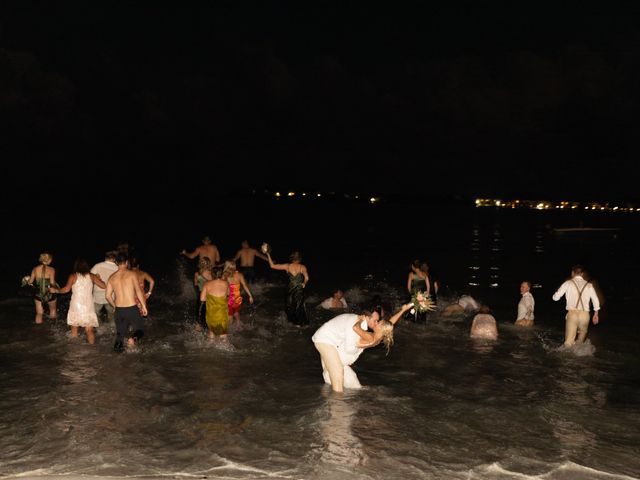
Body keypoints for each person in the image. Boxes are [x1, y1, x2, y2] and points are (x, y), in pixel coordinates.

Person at [312, 303, 413, 392]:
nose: (377, 322)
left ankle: (333, 401)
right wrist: (403, 310)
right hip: (332, 345)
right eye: (376, 320)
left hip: (342, 354)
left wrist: (360, 320)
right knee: (337, 375)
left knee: (343, 381)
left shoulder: (370, 336)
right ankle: (337, 403)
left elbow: (355, 328)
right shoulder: (379, 336)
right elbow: (390, 323)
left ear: (382, 329)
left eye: (379, 322)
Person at [50, 259, 106, 344]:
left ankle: (74, 350)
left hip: (76, 305)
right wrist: (99, 279)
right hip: (88, 305)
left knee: (74, 329)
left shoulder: (73, 276)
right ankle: (91, 347)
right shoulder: (92, 276)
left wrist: (56, 290)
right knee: (89, 330)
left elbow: (66, 289)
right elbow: (103, 286)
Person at [105, 253, 148, 352]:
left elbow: (107, 296)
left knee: (120, 335)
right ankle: (132, 339)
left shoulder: (112, 277)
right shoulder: (132, 274)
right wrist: (143, 306)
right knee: (140, 330)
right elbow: (138, 291)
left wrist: (114, 306)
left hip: (119, 310)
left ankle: (117, 359)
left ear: (116, 263)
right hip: (132, 308)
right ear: (127, 262)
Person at [552, 264, 600, 347]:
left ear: (572, 273)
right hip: (585, 315)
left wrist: (555, 295)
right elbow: (595, 300)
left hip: (572, 314)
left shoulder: (568, 283)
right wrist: (596, 314)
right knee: (580, 341)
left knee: (568, 343)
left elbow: (556, 298)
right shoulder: (589, 285)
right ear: (582, 274)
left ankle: (569, 358)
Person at [266, 249, 309, 326]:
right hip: (299, 290)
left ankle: (293, 323)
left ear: (292, 258)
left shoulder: (287, 266)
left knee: (289, 307)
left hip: (290, 290)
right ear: (299, 259)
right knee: (299, 306)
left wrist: (268, 254)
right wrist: (304, 283)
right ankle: (301, 324)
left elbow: (272, 266)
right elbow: (307, 278)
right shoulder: (302, 267)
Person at [26, 252, 59, 323]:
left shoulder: (35, 269)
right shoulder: (52, 269)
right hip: (49, 292)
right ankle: (53, 328)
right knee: (53, 310)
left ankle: (39, 331)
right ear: (49, 260)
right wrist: (57, 287)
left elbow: (30, 282)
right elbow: (52, 282)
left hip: (38, 293)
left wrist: (26, 279)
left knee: (39, 313)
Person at [200, 267, 230, 340]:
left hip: (211, 313)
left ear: (212, 274)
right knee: (223, 334)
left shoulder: (207, 284)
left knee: (211, 333)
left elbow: (202, 298)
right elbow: (228, 294)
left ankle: (209, 349)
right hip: (222, 313)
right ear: (221, 274)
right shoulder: (226, 283)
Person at [90, 250, 118, 325]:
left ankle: (100, 327)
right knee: (112, 315)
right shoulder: (117, 268)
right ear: (115, 259)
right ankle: (111, 331)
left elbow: (89, 278)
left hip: (97, 295)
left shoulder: (97, 266)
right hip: (111, 295)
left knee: (95, 314)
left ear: (105, 258)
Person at [222, 260, 253, 326]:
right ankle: (238, 324)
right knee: (236, 312)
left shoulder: (224, 276)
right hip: (237, 297)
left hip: (229, 298)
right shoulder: (240, 275)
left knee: (229, 314)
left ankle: (230, 330)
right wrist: (250, 295)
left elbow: (221, 287)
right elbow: (244, 285)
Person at [193, 257, 213, 331]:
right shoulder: (212, 273)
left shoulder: (197, 274)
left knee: (199, 312)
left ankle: (198, 329)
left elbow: (195, 284)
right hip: (211, 295)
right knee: (209, 313)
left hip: (201, 294)